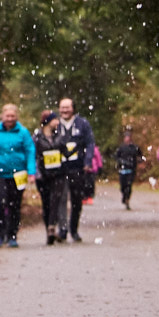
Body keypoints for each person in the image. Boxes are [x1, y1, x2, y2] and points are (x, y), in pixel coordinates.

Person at [0, 102, 39, 247]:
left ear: (16, 116)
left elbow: (30, 151)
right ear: (2, 116)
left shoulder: (23, 132)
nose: (10, 118)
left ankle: (12, 235)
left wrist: (31, 172)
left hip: (18, 175)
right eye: (7, 116)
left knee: (14, 205)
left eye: (12, 116)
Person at [54, 97, 98, 243]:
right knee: (61, 199)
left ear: (73, 108)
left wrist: (88, 161)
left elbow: (90, 143)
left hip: (77, 167)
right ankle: (63, 229)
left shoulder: (82, 124)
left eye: (67, 107)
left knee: (76, 200)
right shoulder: (55, 124)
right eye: (62, 107)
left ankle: (74, 229)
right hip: (59, 169)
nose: (64, 110)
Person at [33, 109, 69, 244]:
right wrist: (36, 172)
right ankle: (48, 226)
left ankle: (51, 228)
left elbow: (66, 152)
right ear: (48, 121)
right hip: (43, 175)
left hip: (58, 174)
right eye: (55, 119)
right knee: (46, 202)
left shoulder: (60, 135)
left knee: (56, 200)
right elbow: (34, 155)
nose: (58, 122)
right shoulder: (37, 137)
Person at [113, 128, 142, 209]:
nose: (127, 138)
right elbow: (116, 156)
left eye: (128, 137)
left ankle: (127, 199)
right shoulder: (121, 147)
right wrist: (121, 161)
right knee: (123, 186)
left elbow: (140, 155)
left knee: (129, 186)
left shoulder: (134, 147)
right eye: (126, 137)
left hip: (131, 169)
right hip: (122, 169)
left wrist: (139, 161)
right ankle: (124, 196)